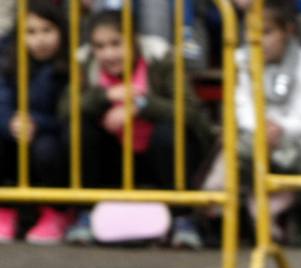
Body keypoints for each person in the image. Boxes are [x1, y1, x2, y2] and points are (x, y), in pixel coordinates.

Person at [63, 9, 215, 247]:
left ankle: (183, 218)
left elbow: (191, 111)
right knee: (79, 128)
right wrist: (104, 96)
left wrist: (140, 106)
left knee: (169, 133)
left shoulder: (160, 57)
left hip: (161, 158)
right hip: (116, 158)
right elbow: (64, 109)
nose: (109, 54)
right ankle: (85, 213)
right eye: (100, 46)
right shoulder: (85, 62)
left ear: (133, 39)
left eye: (116, 44)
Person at [205, 0, 301, 242]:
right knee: (236, 148)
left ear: (287, 31)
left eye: (267, 32)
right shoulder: (239, 59)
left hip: (293, 143)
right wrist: (262, 129)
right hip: (253, 138)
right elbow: (241, 106)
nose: (257, 40)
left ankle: (262, 213)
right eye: (251, 32)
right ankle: (215, 207)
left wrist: (279, 130)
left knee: (287, 159)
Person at [0, 1, 70, 244]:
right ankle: (5, 208)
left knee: (47, 149)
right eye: (31, 32)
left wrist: (36, 122)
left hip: (48, 135)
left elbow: (65, 115)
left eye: (47, 30)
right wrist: (10, 121)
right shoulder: (10, 62)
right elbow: (2, 100)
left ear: (61, 31)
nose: (39, 39)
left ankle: (57, 212)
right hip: (16, 131)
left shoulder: (68, 66)